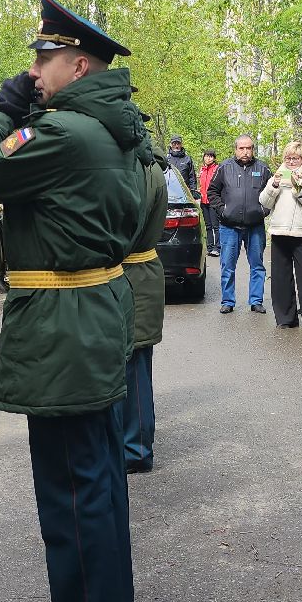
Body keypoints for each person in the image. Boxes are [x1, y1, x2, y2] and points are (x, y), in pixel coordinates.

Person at [0, 0, 152, 602]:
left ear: (80, 65)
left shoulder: (66, 135)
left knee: (72, 485)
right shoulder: (105, 128)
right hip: (85, 312)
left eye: (45, 58)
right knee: (94, 477)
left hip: (65, 321)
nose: (33, 71)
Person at [118, 148, 170, 474]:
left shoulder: (138, 168)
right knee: (134, 368)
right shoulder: (146, 163)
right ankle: (132, 444)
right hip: (138, 275)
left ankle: (135, 450)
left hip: (133, 276)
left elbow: (124, 231)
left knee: (134, 371)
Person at [262, 141, 302, 330]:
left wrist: (298, 187)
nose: (291, 162)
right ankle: (285, 318)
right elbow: (265, 202)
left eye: (295, 158)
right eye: (288, 158)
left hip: (301, 233)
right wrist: (273, 186)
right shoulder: (277, 174)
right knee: (281, 278)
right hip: (279, 231)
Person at [211, 135, 273, 314]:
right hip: (229, 226)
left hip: (255, 226)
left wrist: (263, 211)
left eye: (249, 148)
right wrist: (222, 211)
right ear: (235, 149)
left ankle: (256, 301)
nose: (245, 152)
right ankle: (228, 301)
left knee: (257, 265)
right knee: (227, 266)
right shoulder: (224, 167)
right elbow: (212, 192)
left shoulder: (262, 168)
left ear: (253, 149)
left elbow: (272, 193)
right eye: (242, 148)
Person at [198, 149, 221, 256]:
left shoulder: (217, 169)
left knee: (215, 225)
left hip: (213, 201)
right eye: (207, 156)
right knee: (207, 226)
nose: (208, 158)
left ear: (214, 158)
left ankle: (217, 247)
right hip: (203, 201)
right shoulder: (202, 170)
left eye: (211, 156)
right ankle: (210, 246)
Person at [166, 135, 198, 199]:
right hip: (169, 192)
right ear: (171, 145)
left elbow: (192, 176)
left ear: (181, 144)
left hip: (185, 192)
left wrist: (193, 190)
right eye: (174, 144)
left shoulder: (187, 159)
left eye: (178, 143)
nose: (176, 146)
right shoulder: (166, 159)